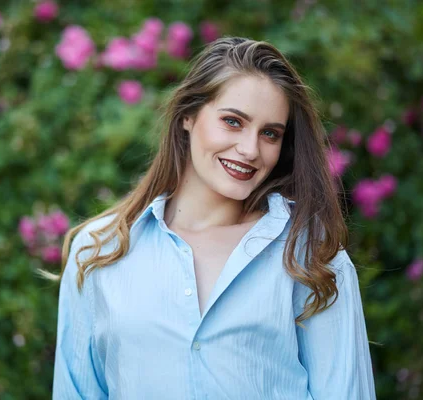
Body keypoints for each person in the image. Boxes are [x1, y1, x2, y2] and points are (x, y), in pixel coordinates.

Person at [42, 36, 377, 399]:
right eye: (233, 122)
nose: (250, 149)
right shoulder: (99, 250)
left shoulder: (310, 257)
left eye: (270, 133)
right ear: (188, 115)